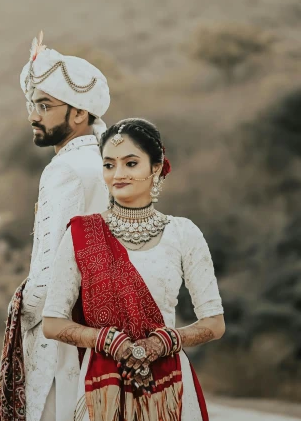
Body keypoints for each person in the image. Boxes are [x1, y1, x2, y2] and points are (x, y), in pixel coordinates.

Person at [41, 118, 226, 421]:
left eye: (130, 163)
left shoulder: (183, 233)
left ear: (156, 167)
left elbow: (215, 323)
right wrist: (105, 341)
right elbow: (52, 323)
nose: (118, 174)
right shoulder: (81, 235)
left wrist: (163, 341)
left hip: (169, 386)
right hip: (101, 390)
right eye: (109, 165)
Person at [0, 32, 111, 421]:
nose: (32, 115)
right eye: (32, 104)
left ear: (79, 113)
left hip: (69, 339)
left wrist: (21, 311)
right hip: (114, 330)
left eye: (44, 105)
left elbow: (46, 280)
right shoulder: (112, 163)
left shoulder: (65, 169)